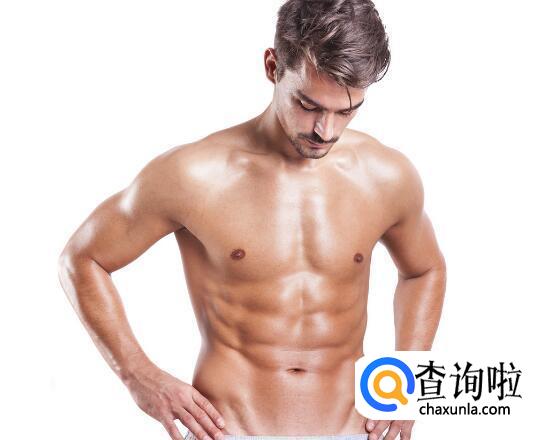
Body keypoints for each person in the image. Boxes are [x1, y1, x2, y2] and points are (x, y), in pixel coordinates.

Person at [57, 1, 446, 439]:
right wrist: (138, 376)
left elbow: (424, 270)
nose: (326, 131)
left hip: (355, 428)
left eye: (346, 110)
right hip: (230, 429)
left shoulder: (387, 176)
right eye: (308, 104)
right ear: (272, 66)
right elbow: (83, 259)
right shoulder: (194, 175)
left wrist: (406, 383)